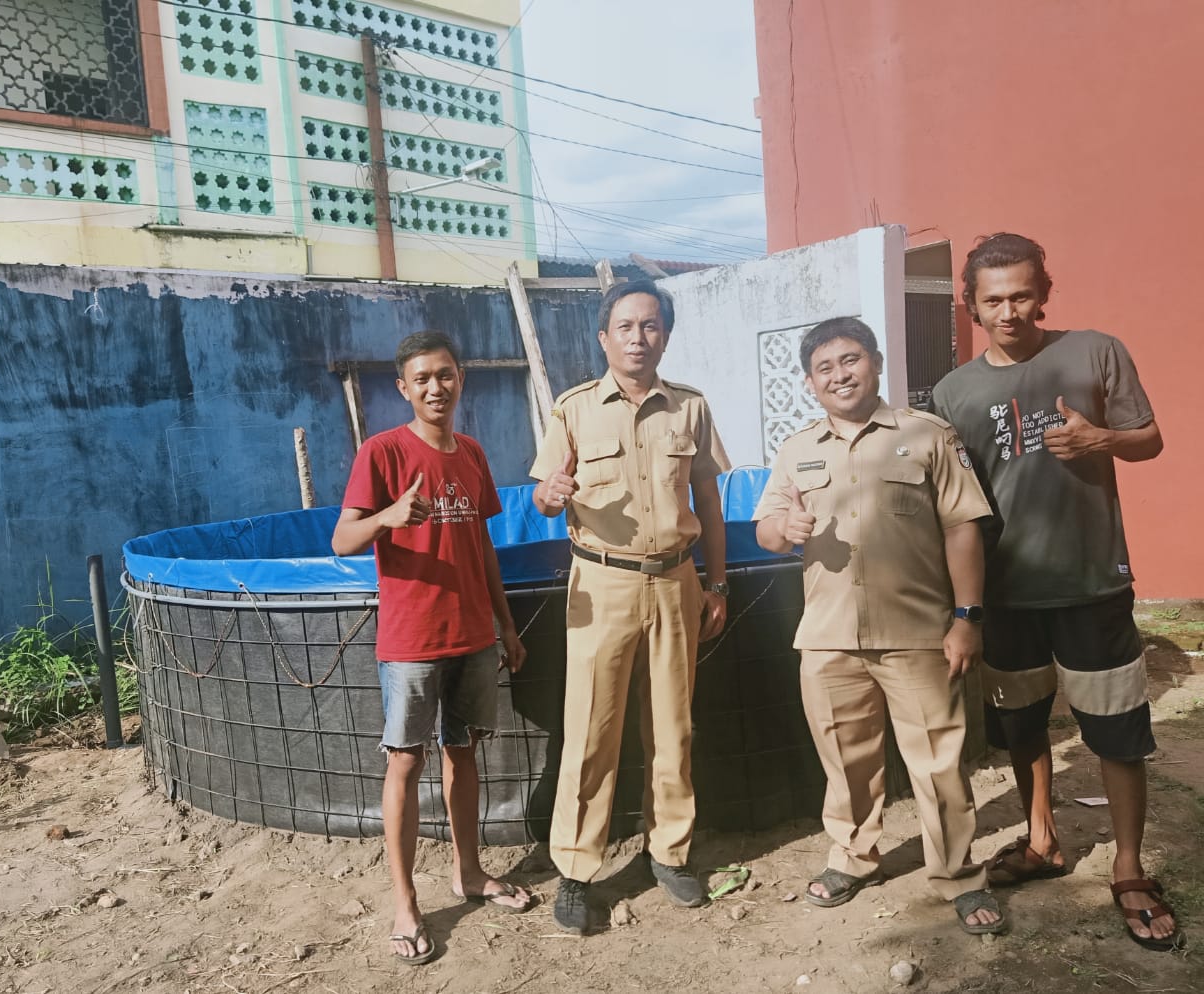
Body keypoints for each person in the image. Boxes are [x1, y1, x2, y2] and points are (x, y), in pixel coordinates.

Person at [932, 232, 1178, 951]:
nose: (1009, 310)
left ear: (1045, 291)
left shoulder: (1096, 351)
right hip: (1007, 593)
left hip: (1091, 582)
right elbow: (955, 507)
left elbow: (1150, 438)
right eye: (992, 299)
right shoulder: (953, 393)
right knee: (1023, 724)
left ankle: (1130, 868)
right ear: (970, 306)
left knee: (1116, 730)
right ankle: (1044, 840)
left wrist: (1101, 440)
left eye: (1021, 295)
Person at [754, 317, 1006, 935]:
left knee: (939, 764)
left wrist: (967, 618)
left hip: (919, 633)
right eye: (825, 368)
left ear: (876, 362)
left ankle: (957, 875)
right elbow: (766, 528)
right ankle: (853, 857)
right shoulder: (797, 449)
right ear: (811, 382)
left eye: (851, 360)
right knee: (846, 760)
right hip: (829, 635)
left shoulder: (926, 436)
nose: (840, 375)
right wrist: (781, 532)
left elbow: (962, 527)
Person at [530, 280, 730, 935]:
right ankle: (577, 870)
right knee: (592, 733)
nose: (637, 338)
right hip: (603, 585)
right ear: (603, 337)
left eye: (649, 326)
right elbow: (544, 498)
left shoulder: (691, 410)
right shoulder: (573, 410)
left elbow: (709, 504)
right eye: (624, 326)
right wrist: (551, 495)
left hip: (677, 582)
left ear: (664, 336)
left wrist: (718, 584)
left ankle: (668, 853)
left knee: (673, 728)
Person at [331, 330, 531, 965]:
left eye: (445, 374)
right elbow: (341, 541)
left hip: (472, 635)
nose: (435, 387)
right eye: (422, 378)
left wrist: (505, 625)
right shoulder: (382, 452)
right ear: (403, 387)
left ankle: (469, 873)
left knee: (464, 755)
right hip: (413, 640)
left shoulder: (471, 454)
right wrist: (386, 518)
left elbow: (483, 548)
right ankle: (406, 903)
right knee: (405, 765)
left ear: (460, 378)